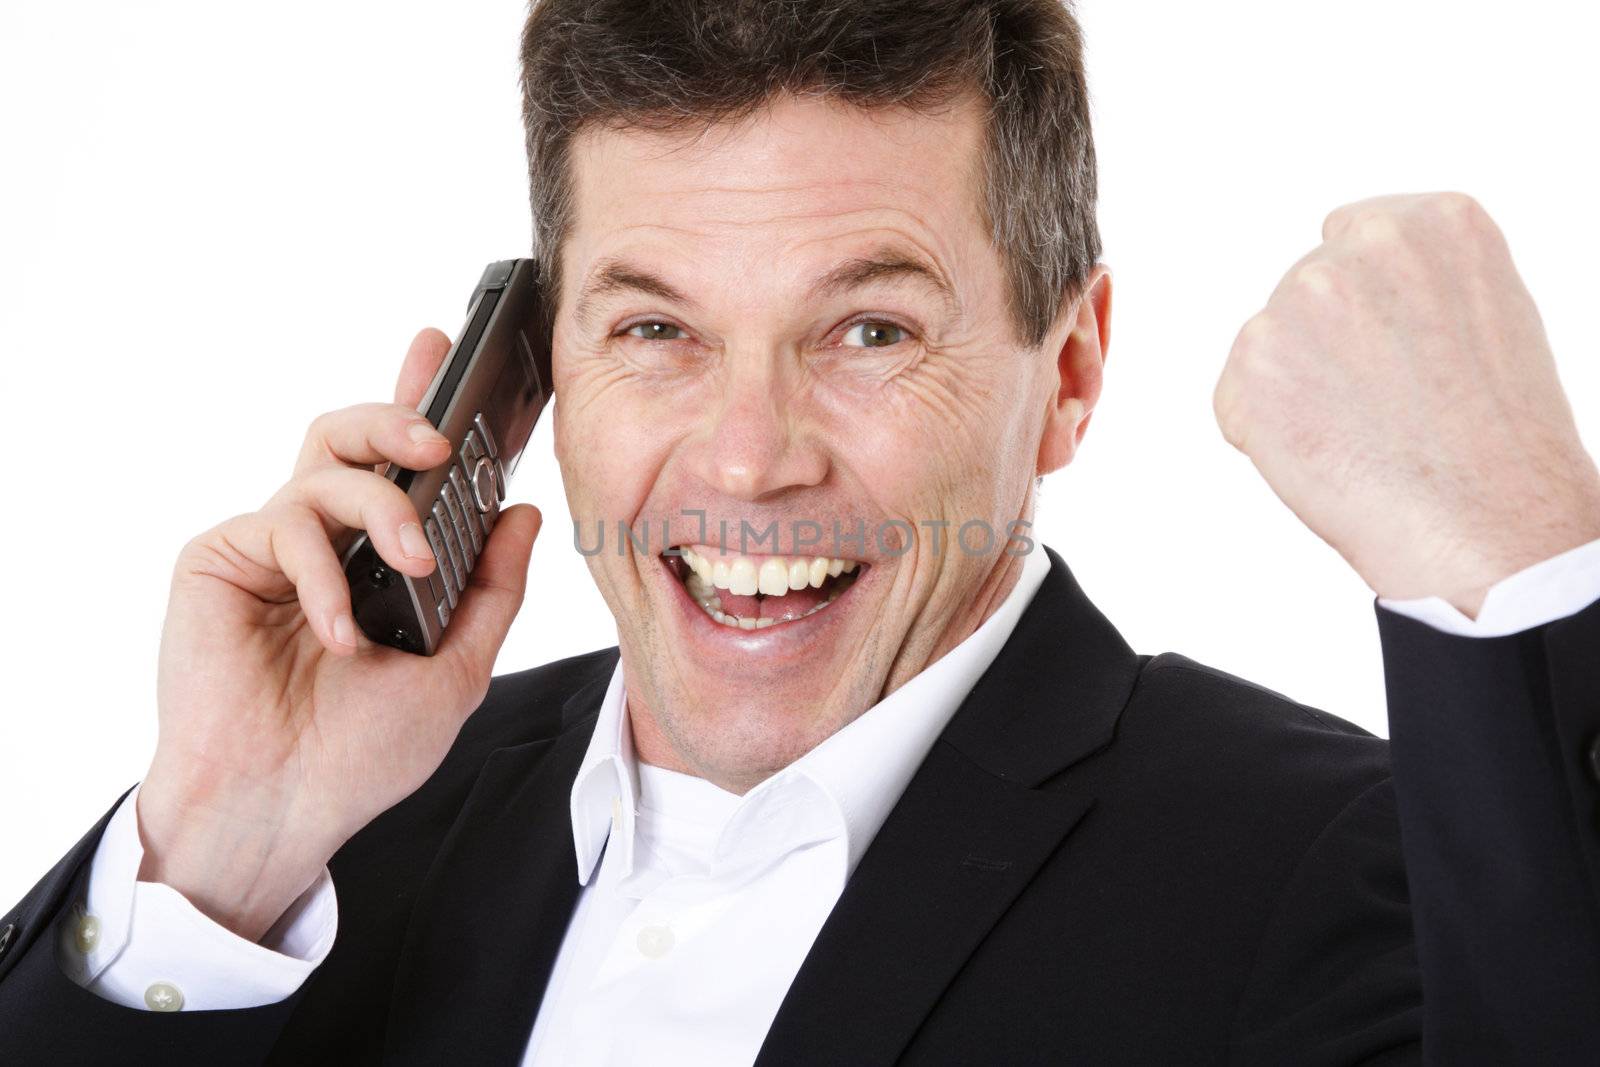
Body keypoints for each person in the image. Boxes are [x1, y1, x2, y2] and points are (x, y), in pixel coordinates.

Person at [4, 0, 1599, 1063]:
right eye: (653, 332)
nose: (750, 460)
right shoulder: (313, 863)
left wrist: (1527, 574)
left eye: (872, 333)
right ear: (538, 369)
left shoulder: (1350, 874)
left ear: (1073, 372)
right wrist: (213, 855)